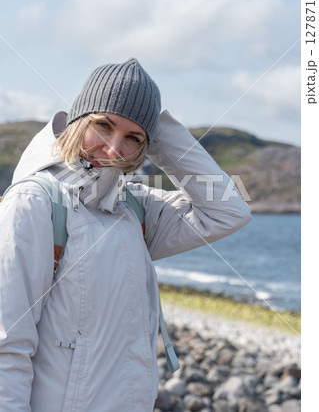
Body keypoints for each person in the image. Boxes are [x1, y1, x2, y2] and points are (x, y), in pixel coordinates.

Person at [0, 58, 251, 411]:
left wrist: (158, 130)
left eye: (133, 139)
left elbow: (228, 210)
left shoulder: (133, 209)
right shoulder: (34, 203)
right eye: (103, 125)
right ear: (77, 120)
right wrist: (139, 122)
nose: (115, 149)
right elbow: (6, 347)